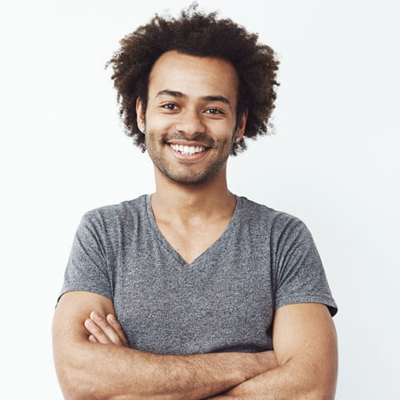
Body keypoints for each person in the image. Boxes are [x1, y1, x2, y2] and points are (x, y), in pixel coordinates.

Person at [53, 5, 338, 400]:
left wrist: (133, 379)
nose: (190, 126)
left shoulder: (282, 238)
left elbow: (310, 389)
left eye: (213, 109)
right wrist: (249, 364)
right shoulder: (104, 232)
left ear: (240, 123)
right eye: (171, 105)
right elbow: (80, 377)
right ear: (142, 113)